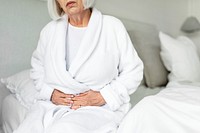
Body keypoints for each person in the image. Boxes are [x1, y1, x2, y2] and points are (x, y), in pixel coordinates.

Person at [13, 0, 143, 132]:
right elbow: (38, 68)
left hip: (97, 108)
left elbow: (133, 70)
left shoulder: (112, 26)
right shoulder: (49, 31)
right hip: (52, 105)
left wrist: (105, 96)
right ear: (57, 3)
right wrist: (50, 93)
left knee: (62, 129)